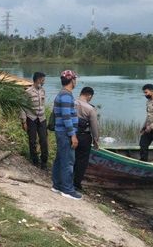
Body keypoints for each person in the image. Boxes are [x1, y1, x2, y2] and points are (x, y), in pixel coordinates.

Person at [51, 70, 81, 200]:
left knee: (60, 159)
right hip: (65, 133)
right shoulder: (66, 96)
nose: (76, 81)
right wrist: (73, 135)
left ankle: (57, 185)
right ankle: (67, 189)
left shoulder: (64, 94)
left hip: (62, 132)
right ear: (72, 80)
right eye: (75, 79)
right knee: (68, 161)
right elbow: (66, 117)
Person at [20, 72, 48, 169]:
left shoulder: (43, 91)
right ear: (38, 79)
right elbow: (22, 107)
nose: (44, 81)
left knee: (44, 140)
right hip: (31, 118)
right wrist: (24, 121)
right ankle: (34, 160)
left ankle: (44, 161)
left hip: (42, 118)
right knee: (32, 140)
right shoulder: (28, 92)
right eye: (43, 80)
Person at [74, 87, 100, 191]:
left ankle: (66, 179)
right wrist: (96, 140)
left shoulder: (71, 103)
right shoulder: (90, 109)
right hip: (84, 137)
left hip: (71, 134)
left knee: (71, 158)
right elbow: (94, 126)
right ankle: (76, 184)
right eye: (91, 97)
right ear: (89, 95)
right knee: (82, 161)